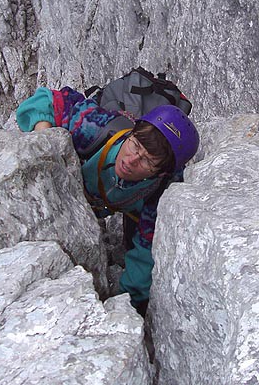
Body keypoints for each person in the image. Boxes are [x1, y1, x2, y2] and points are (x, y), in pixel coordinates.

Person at [16, 85, 199, 315]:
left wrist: (124, 308)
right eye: (135, 145)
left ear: (162, 172)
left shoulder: (159, 194)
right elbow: (49, 99)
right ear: (132, 132)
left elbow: (144, 258)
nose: (131, 160)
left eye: (147, 161)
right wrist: (44, 143)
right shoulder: (95, 128)